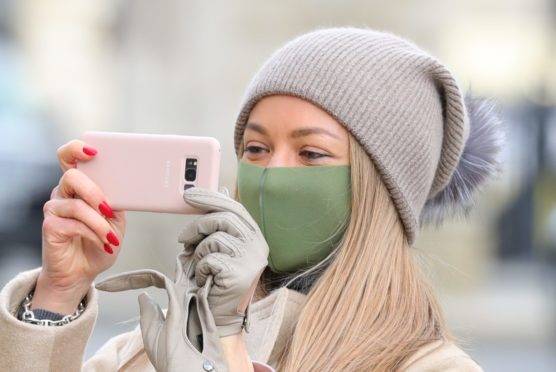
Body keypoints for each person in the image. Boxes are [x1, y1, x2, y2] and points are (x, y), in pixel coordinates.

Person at [0, 27, 505, 371]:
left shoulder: (427, 364)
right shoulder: (151, 346)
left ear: (381, 189)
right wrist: (57, 296)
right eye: (256, 148)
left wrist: (226, 350)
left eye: (310, 153)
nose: (271, 174)